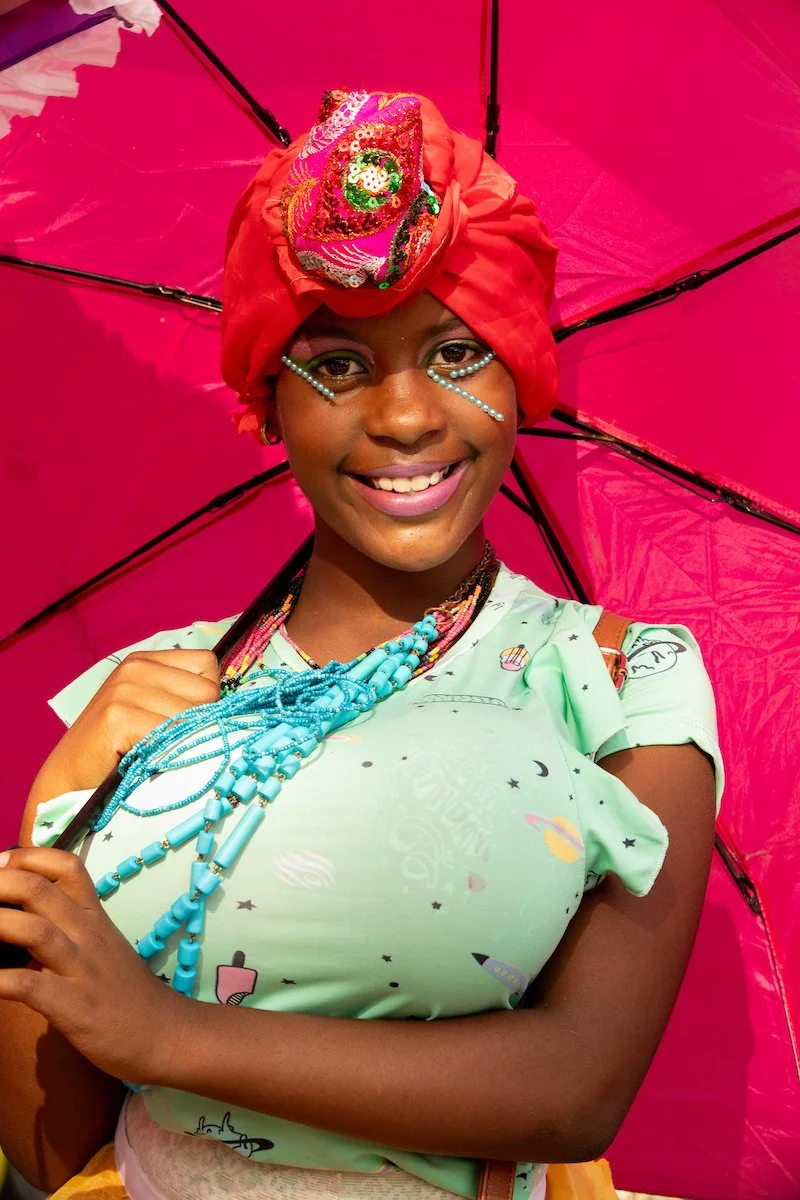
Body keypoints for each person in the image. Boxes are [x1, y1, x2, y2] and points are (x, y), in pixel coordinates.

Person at [0, 90, 722, 1200]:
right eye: (334, 366)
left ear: (518, 376)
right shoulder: (144, 694)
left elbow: (578, 1086)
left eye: (454, 354)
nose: (401, 418)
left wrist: (163, 1035)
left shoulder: (623, 681)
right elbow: (58, 1154)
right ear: (267, 402)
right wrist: (53, 814)